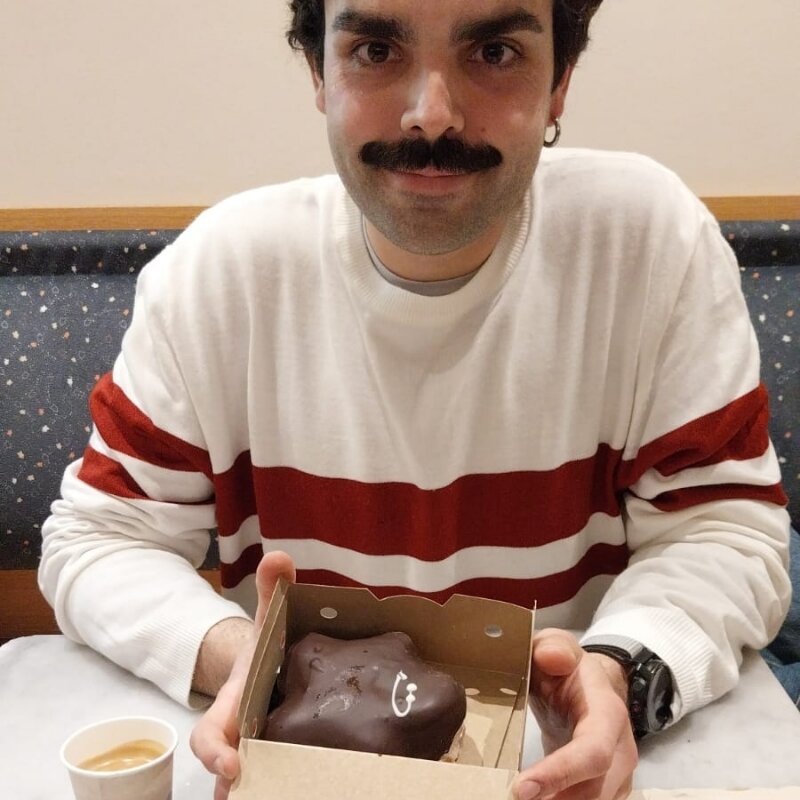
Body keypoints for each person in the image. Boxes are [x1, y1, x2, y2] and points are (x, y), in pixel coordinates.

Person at [39, 1, 792, 798]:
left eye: (494, 52)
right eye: (375, 50)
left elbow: (726, 533)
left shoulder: (651, 245)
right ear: (320, 74)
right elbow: (97, 541)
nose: (432, 114)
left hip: (559, 766)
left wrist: (616, 672)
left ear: (560, 81)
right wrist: (248, 664)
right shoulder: (220, 276)